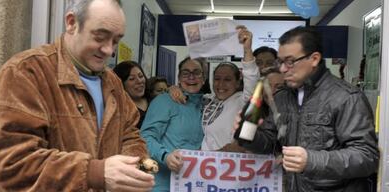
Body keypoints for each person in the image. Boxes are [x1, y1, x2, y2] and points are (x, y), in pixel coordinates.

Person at [0, 0, 156, 191]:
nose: (109, 50)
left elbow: (130, 133)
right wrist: (95, 173)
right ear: (72, 23)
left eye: (116, 40)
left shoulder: (112, 81)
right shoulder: (25, 72)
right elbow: (11, 164)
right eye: (100, 37)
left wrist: (134, 165)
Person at [235, 26, 379, 191]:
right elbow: (270, 142)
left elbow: (367, 156)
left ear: (314, 59)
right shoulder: (282, 98)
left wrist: (311, 160)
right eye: (280, 62)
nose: (282, 69)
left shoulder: (346, 97)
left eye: (290, 62)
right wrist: (247, 134)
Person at [140, 57, 205, 191]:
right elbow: (145, 137)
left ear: (203, 78)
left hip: (194, 184)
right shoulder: (164, 101)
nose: (191, 77)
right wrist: (165, 156)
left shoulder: (208, 104)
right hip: (164, 184)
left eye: (196, 72)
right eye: (185, 73)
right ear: (179, 78)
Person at [114, 60, 149, 128]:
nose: (139, 81)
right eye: (132, 79)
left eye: (141, 76)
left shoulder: (154, 99)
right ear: (121, 84)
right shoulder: (119, 109)